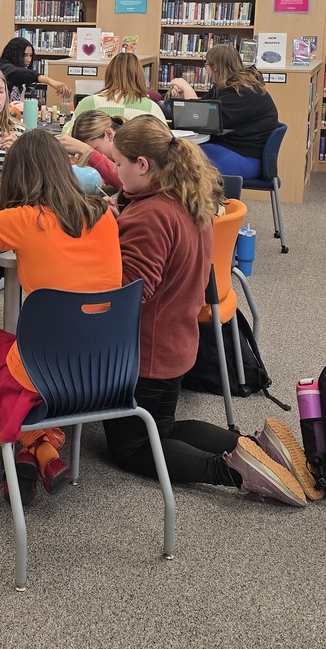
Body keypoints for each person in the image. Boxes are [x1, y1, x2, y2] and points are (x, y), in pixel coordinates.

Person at [103, 115, 308, 507]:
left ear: (142, 165)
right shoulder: (186, 200)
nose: (115, 171)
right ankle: (254, 447)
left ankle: (234, 472)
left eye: (118, 163)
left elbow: (132, 295)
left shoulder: (149, 216)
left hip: (147, 354)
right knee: (163, 427)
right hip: (176, 343)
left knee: (130, 449)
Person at [0, 128, 122, 505]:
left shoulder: (22, 219)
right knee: (25, 345)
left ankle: (28, 439)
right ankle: (40, 446)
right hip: (107, 365)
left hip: (47, 369)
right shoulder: (104, 216)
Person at [168, 43, 278, 180]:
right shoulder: (225, 86)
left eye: (206, 66)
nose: (206, 71)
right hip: (230, 147)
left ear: (216, 67)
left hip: (245, 156)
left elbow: (201, 119)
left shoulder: (243, 91)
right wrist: (184, 97)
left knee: (180, 164)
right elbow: (203, 106)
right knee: (176, 155)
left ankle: (198, 201)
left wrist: (188, 89)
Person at [66, 52, 167, 127]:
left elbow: (68, 137)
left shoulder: (90, 102)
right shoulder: (152, 108)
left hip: (96, 155)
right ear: (140, 77)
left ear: (109, 74)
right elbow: (165, 143)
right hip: (137, 155)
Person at [55, 109, 124, 190]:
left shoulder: (133, 146)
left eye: (95, 149)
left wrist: (88, 151)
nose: (90, 161)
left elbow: (127, 182)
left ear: (109, 134)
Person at [0, 36, 69, 100]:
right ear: (14, 54)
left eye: (30, 55)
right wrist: (49, 81)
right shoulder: (4, 67)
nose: (29, 60)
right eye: (25, 55)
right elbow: (19, 73)